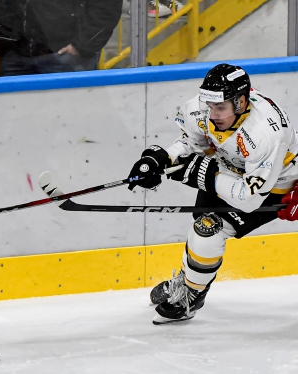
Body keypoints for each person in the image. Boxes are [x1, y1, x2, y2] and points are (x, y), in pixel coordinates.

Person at [126, 63, 298, 325]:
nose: (213, 114)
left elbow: (249, 199)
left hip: (274, 185)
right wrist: (162, 158)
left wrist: (202, 175)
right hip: (228, 168)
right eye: (210, 106)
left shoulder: (266, 133)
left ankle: (191, 296)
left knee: (209, 229)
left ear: (241, 102)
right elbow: (193, 143)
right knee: (200, 226)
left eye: (221, 108)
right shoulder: (204, 107)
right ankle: (188, 280)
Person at [0, 0, 123, 76]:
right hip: (17, 54)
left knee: (71, 118)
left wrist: (81, 46)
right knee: (14, 120)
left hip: (65, 57)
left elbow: (106, 7)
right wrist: (4, 39)